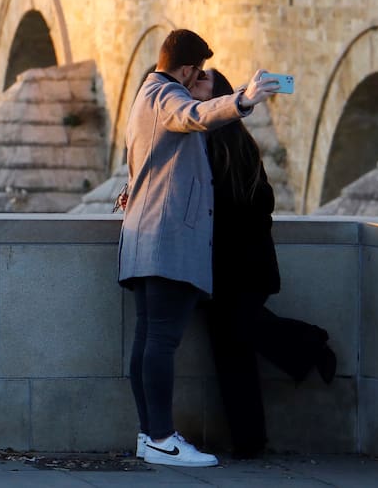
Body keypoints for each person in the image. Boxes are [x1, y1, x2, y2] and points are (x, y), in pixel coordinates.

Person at [118, 29, 279, 467]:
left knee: (148, 339)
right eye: (199, 71)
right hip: (166, 242)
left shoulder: (145, 95)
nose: (198, 78)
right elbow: (191, 115)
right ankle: (160, 437)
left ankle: (149, 435)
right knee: (161, 341)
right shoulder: (166, 93)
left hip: (144, 238)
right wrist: (243, 99)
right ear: (187, 68)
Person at [199, 68, 337, 460]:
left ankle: (312, 343)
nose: (192, 91)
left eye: (200, 87)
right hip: (230, 267)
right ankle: (249, 440)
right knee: (232, 351)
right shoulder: (228, 145)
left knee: (238, 337)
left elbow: (257, 205)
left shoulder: (227, 147)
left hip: (238, 266)